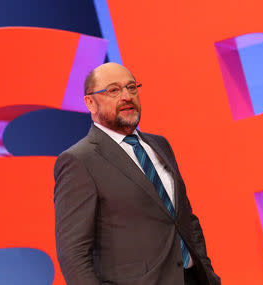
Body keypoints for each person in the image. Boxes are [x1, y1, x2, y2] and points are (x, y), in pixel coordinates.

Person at [53, 62, 221, 285]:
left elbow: (185, 219)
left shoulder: (160, 145)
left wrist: (207, 273)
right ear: (90, 102)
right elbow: (73, 253)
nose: (126, 96)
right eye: (113, 90)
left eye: (131, 87)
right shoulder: (79, 160)